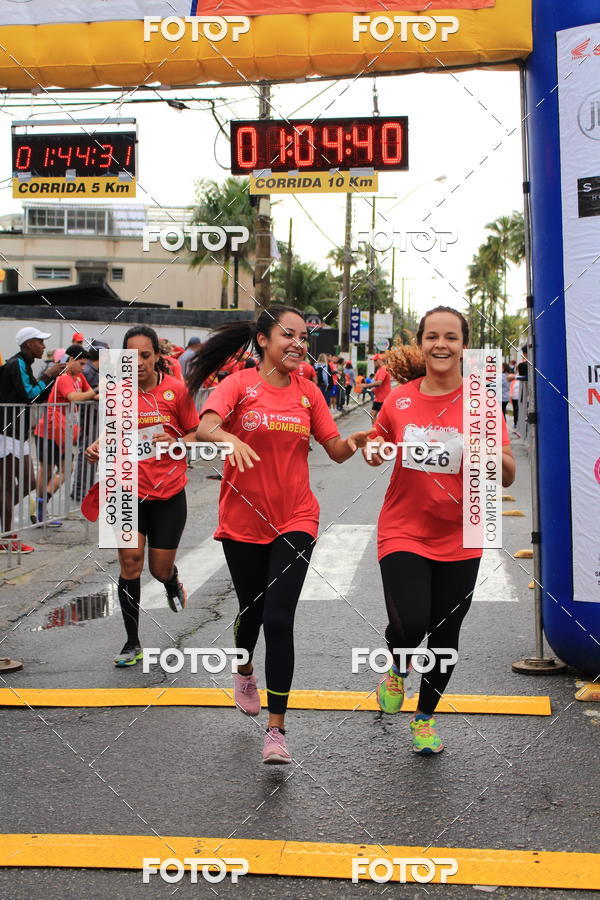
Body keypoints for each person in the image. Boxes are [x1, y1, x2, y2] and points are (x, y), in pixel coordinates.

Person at [189, 304, 372, 765]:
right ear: (264, 340)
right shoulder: (238, 385)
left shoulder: (309, 392)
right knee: (250, 612)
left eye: (303, 337)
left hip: (296, 518)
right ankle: (244, 667)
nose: (298, 343)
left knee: (278, 619)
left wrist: (355, 442)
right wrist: (230, 438)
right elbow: (205, 426)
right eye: (289, 334)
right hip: (243, 520)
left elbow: (334, 450)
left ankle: (277, 730)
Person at [364, 306, 515, 754]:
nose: (441, 344)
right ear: (421, 343)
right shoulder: (400, 399)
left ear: (464, 345)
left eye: (451, 337)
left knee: (445, 634)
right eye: (432, 336)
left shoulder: (482, 404)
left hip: (464, 530)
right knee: (411, 622)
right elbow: (376, 444)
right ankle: (397, 668)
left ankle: (425, 718)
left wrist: (484, 450)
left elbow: (507, 474)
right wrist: (373, 450)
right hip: (404, 526)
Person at [86, 326, 199, 666]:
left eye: (145, 355)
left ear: (157, 356)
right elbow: (111, 436)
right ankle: (132, 642)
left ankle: (171, 581)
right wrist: (97, 448)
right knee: (130, 562)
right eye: (131, 356)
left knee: (158, 569)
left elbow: (197, 433)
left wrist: (177, 442)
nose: (138, 362)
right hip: (126, 491)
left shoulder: (177, 390)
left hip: (168, 493)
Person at [0, 327, 65, 553]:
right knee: (8, 486)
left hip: (18, 433)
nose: (44, 346)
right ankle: (6, 537)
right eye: (40, 342)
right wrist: (47, 375)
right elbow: (29, 395)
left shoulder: (23, 364)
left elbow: (37, 396)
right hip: (6, 433)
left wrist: (52, 378)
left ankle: (5, 531)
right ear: (28, 344)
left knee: (27, 482)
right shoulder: (16, 363)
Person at [34, 344, 98, 525]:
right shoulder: (64, 378)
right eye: (81, 364)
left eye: (85, 364)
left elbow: (90, 394)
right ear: (70, 360)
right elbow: (74, 397)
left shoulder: (78, 377)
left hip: (63, 432)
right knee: (48, 470)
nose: (83, 368)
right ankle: (39, 508)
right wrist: (95, 391)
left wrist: (102, 394)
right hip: (49, 430)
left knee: (65, 469)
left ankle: (41, 505)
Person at [72, 340, 108, 503]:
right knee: (86, 452)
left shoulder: (95, 370)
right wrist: (99, 394)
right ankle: (80, 489)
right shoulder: (88, 371)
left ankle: (84, 488)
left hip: (94, 416)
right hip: (88, 416)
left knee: (92, 452)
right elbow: (83, 393)